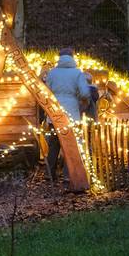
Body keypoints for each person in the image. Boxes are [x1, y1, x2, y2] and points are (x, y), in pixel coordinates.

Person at [44, 47, 91, 182]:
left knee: (54, 144)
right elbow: (84, 93)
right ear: (72, 57)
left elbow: (46, 91)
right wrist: (81, 103)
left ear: (60, 57)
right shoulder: (77, 73)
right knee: (72, 144)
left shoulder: (52, 73)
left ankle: (49, 173)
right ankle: (68, 174)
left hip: (55, 113)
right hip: (71, 112)